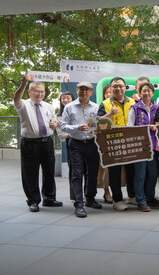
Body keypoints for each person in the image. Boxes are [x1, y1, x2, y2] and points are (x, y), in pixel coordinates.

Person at [14, 75, 62, 212]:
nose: (40, 94)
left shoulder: (48, 106)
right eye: (36, 91)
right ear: (30, 92)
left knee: (49, 171)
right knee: (30, 173)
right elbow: (16, 98)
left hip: (47, 142)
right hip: (29, 143)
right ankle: (33, 200)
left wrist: (54, 124)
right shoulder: (23, 104)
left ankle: (49, 198)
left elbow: (54, 122)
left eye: (42, 91)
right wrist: (23, 84)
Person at [61, 81, 102, 218]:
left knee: (92, 173)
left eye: (87, 89)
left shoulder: (96, 107)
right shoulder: (69, 107)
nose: (84, 91)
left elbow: (99, 123)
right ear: (77, 90)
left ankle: (90, 198)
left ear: (91, 92)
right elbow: (63, 126)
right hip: (76, 143)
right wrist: (76, 127)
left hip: (92, 143)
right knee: (77, 174)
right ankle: (79, 204)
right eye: (81, 89)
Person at [97, 77, 136, 211]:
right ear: (111, 88)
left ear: (125, 88)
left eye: (120, 86)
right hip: (113, 143)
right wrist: (109, 114)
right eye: (115, 86)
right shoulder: (105, 103)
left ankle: (132, 196)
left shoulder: (133, 102)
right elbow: (97, 122)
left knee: (131, 171)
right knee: (115, 172)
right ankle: (117, 200)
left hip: (131, 142)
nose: (118, 89)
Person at [127, 82, 159, 212]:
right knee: (140, 174)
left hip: (153, 146)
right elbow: (129, 128)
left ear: (152, 93)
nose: (146, 93)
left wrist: (157, 127)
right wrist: (145, 128)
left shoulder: (157, 108)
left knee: (153, 174)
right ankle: (140, 200)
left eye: (149, 91)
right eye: (144, 91)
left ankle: (150, 197)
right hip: (139, 146)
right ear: (139, 93)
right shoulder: (134, 108)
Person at [55, 92, 76, 201]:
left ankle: (88, 195)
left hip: (84, 141)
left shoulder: (78, 110)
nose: (66, 100)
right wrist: (75, 131)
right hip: (71, 141)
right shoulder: (59, 115)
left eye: (68, 98)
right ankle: (75, 196)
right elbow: (61, 133)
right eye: (63, 98)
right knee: (73, 169)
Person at [97, 85, 113, 204]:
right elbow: (97, 121)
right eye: (107, 93)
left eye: (111, 92)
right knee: (105, 169)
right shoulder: (102, 105)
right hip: (105, 140)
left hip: (119, 139)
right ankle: (106, 191)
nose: (109, 95)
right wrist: (110, 113)